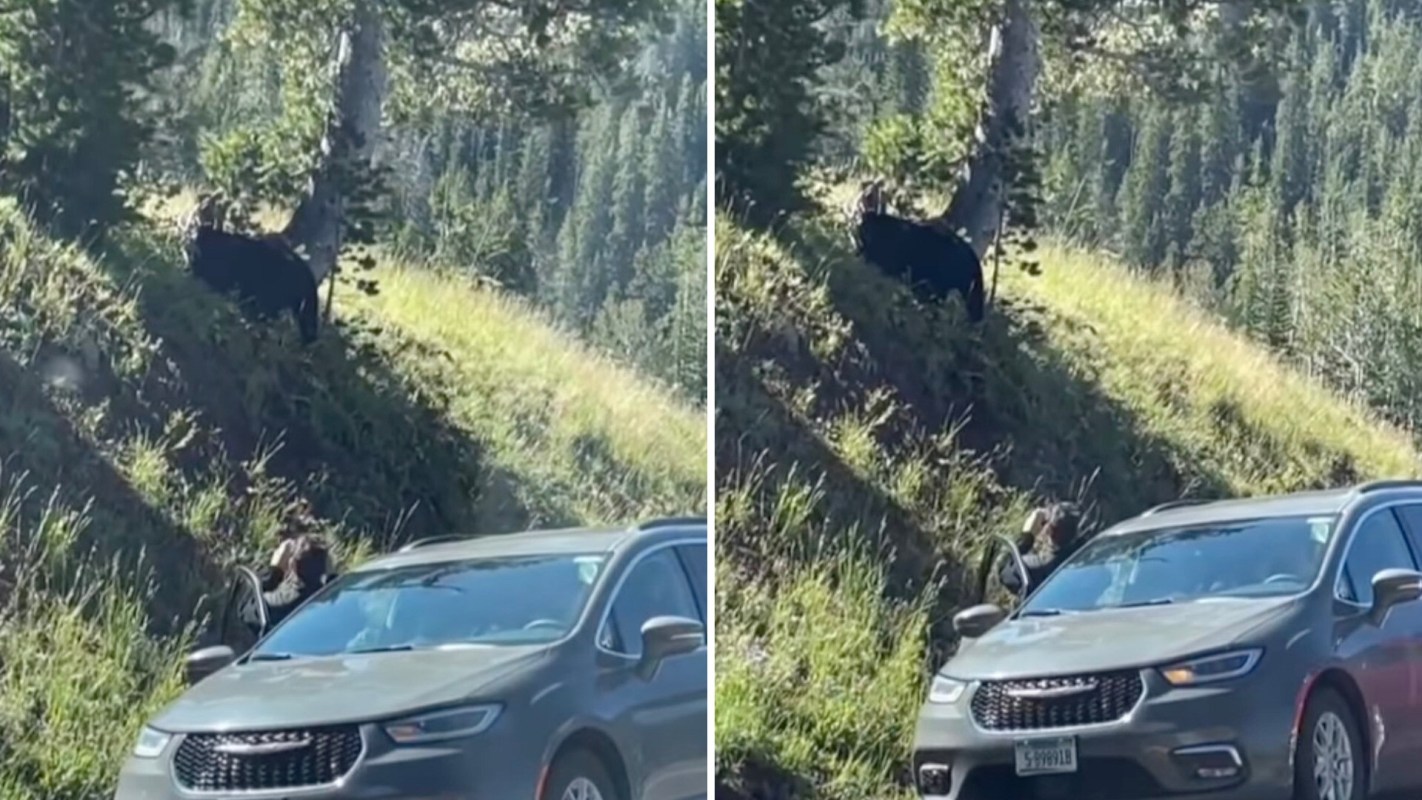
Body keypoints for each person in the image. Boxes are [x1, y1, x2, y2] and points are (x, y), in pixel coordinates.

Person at [1000, 502, 1084, 596]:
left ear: (1050, 530)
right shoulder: (1086, 563)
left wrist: (1027, 537)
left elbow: (1004, 572)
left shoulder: (1035, 568)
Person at [257, 532, 335, 629]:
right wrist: (331, 577)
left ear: (292, 564)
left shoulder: (276, 603)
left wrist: (274, 570)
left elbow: (248, 601)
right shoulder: (329, 605)